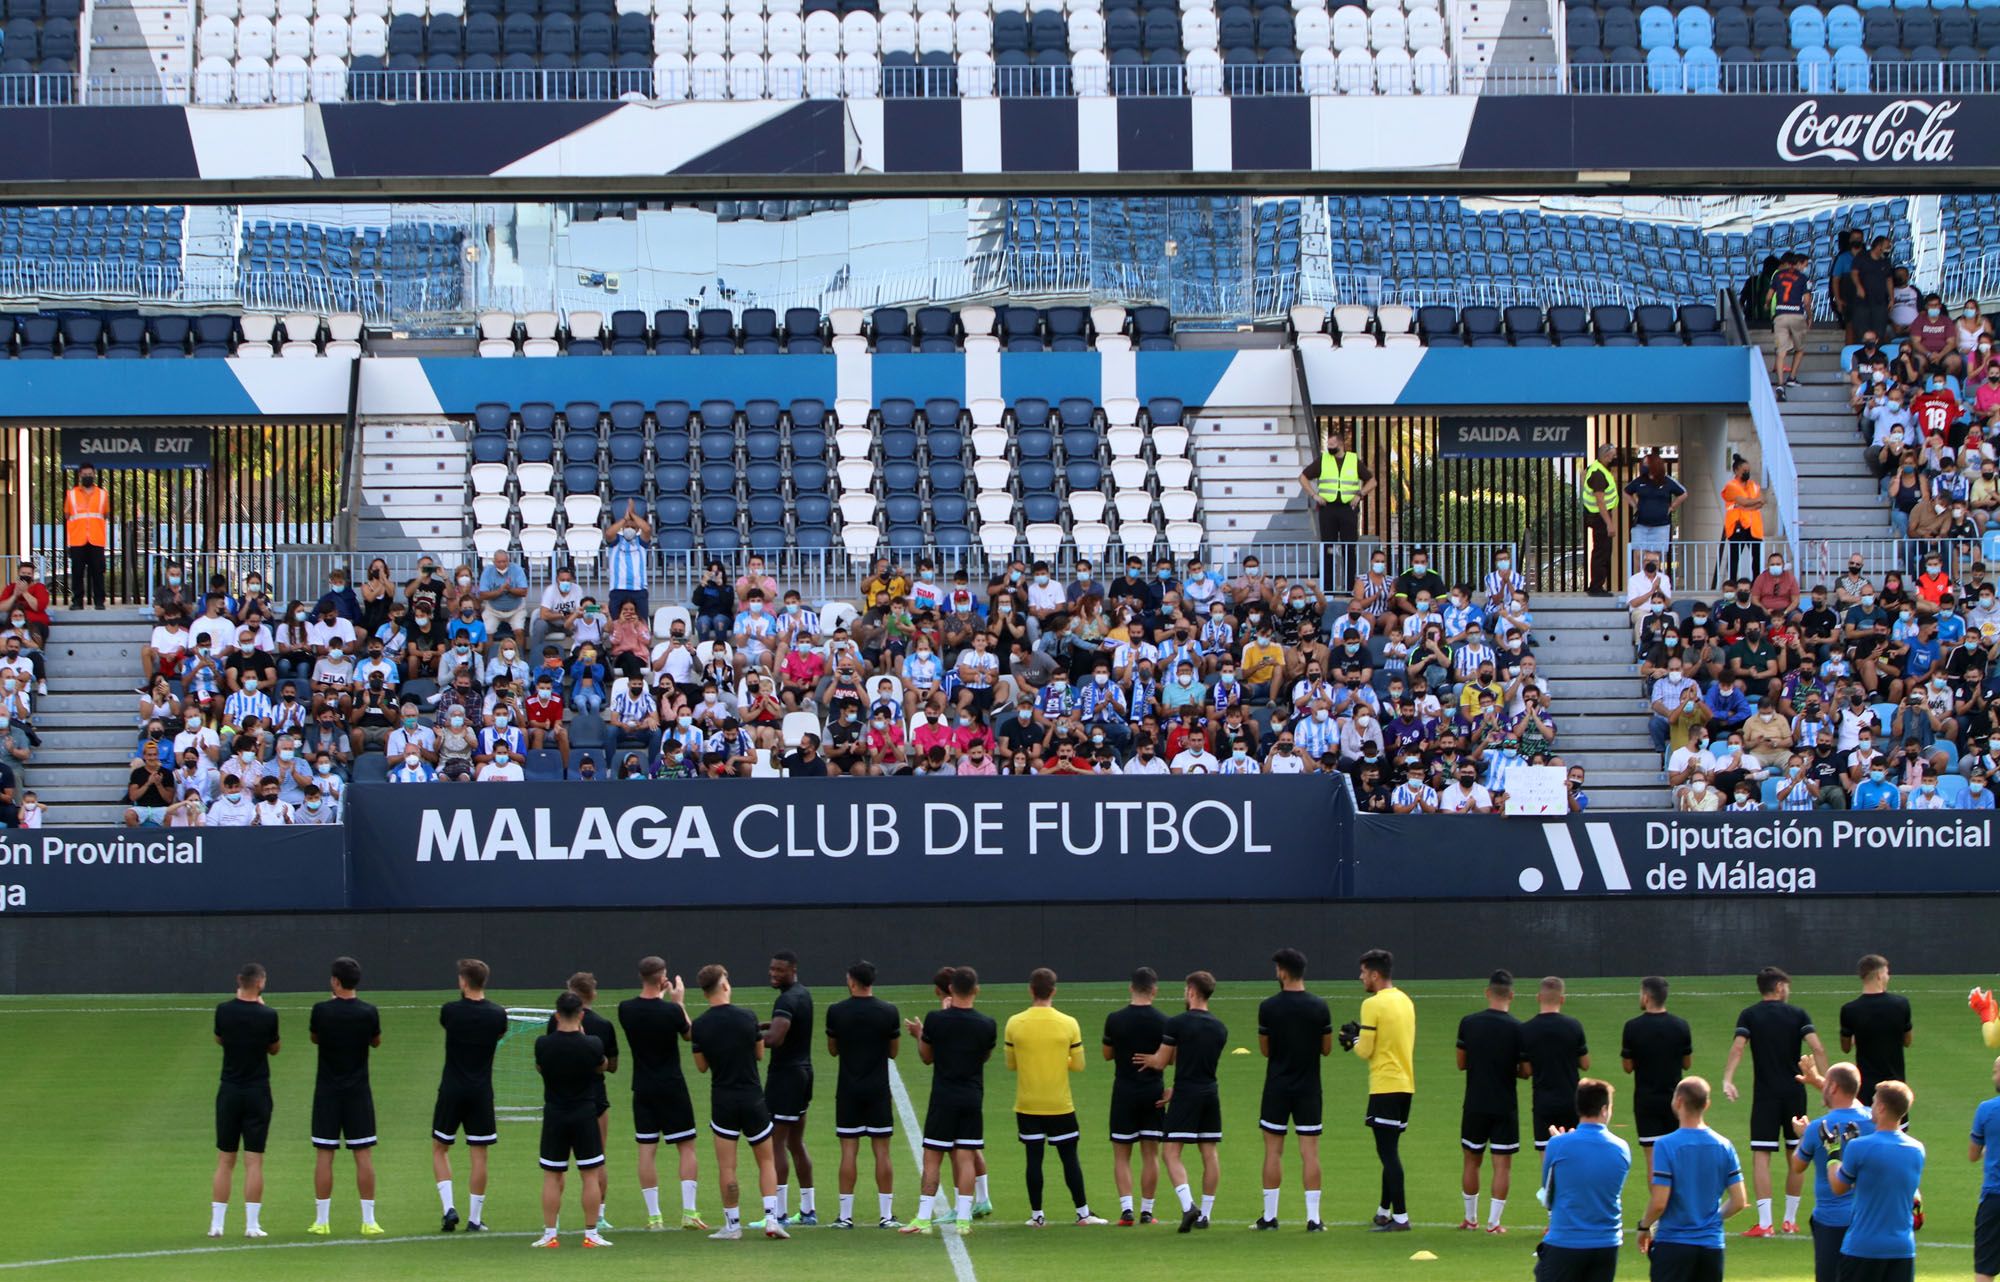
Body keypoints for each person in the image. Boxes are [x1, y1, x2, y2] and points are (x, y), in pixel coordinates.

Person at [1723, 965, 1828, 1237]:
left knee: (1762, 1154)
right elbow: (1817, 1047)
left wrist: (1727, 1079)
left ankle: (1766, 1223)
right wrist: (1825, 1082)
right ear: (1780, 987)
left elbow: (1738, 1047)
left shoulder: (1750, 1015)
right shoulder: (1797, 1014)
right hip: (1795, 1092)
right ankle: (1789, 1221)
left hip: (1765, 1096)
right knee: (1797, 1153)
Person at [689, 964, 788, 1240]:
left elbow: (701, 1066)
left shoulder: (700, 1025)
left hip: (723, 1100)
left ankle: (732, 1226)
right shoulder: (747, 1017)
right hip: (753, 1097)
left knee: (727, 1167)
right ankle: (771, 1220)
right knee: (766, 1161)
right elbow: (759, 1054)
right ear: (723, 985)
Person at [901, 966, 996, 1237]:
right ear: (976, 990)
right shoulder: (987, 1024)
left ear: (951, 989)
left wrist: (920, 1034)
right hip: (972, 1096)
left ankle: (922, 1218)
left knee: (932, 1157)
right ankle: (964, 1219)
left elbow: (926, 1057)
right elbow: (984, 1057)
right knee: (965, 1157)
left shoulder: (936, 1019)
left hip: (943, 1097)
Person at [1004, 967, 1104, 1227]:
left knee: (1033, 1160)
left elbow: (1011, 1064)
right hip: (1060, 1105)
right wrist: (1062, 1058)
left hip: (1027, 1105)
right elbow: (1079, 1065)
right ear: (1054, 991)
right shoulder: (1068, 1023)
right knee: (1069, 1158)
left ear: (1030, 990)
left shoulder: (1015, 1023)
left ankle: (1037, 1216)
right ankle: (1083, 1213)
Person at [617, 956, 706, 1232]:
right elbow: (691, 1035)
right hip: (672, 1086)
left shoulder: (625, 1009)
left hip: (642, 1087)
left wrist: (664, 997)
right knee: (687, 1147)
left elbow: (649, 1011)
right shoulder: (671, 1012)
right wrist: (678, 1001)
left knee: (646, 1150)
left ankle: (654, 1217)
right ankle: (689, 1212)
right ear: (662, 978)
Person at [1136, 970, 1228, 1233]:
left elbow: (1162, 1061)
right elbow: (1200, 1063)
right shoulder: (1220, 1028)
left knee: (1170, 1152)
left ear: (1191, 991)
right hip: (1210, 1092)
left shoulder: (1176, 1023)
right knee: (1209, 1153)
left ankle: (1189, 1206)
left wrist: (1147, 1059)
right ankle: (1205, 1215)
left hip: (1186, 1094)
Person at [1636, 1076, 1749, 1282]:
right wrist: (1713, 1218)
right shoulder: (1724, 1146)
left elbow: (1660, 1202)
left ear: (1678, 1101)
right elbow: (1739, 1201)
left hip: (1673, 1245)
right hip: (1711, 1246)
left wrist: (1644, 1226)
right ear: (1706, 1104)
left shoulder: (1665, 1145)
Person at [1254, 947, 1331, 1232]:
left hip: (1277, 1086)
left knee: (1273, 1151)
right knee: (1310, 1152)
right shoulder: (1319, 1006)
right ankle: (1313, 1219)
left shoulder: (1269, 1007)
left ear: (1284, 972)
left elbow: (1265, 1050)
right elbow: (1326, 1049)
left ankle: (1270, 1217)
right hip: (1309, 1087)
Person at [823, 959, 902, 1230]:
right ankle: (886, 1215)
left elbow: (832, 1049)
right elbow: (893, 1051)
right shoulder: (888, 1011)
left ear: (852, 981)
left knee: (848, 1151)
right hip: (878, 1089)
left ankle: (845, 1216)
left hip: (848, 1089)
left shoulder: (836, 1011)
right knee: (882, 1151)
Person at [308, 956, 384, 1237]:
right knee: (363, 1154)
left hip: (327, 1092)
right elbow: (376, 1041)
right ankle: (369, 1220)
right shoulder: (368, 1012)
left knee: (324, 1154)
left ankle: (322, 1221)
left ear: (335, 981)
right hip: (358, 1093)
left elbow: (315, 1037)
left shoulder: (321, 1011)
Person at [430, 958, 506, 1234]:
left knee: (440, 1147)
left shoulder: (450, 1011)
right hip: (480, 1091)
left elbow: (448, 1023)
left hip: (451, 1088)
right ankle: (475, 1219)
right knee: (479, 1154)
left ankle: (449, 1208)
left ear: (463, 981)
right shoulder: (498, 1014)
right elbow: (499, 1034)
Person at [531, 990, 613, 1250]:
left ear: (556, 1015)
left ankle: (549, 1234)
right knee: (589, 1175)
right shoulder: (593, 1044)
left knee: (552, 1176)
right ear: (581, 1015)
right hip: (584, 1114)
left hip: (555, 1114)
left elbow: (540, 1068)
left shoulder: (543, 1044)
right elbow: (602, 1066)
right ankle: (591, 1233)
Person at [1343, 947, 1416, 1231]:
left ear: (1375, 974)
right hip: (1406, 1085)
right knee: (1392, 1149)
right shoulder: (1405, 1001)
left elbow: (1367, 1050)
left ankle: (1401, 1217)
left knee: (1388, 1154)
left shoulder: (1372, 1005)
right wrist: (1361, 1034)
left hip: (1384, 1086)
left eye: (1363, 972)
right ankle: (1383, 1210)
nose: (1360, 977)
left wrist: (1352, 1041)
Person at [1826, 1080, 1924, 1282]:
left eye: (1873, 1101)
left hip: (1863, 1247)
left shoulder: (1859, 1148)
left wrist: (1833, 1153)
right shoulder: (1917, 1149)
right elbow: (1881, 1177)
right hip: (1902, 1249)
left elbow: (1838, 1186)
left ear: (1880, 1107)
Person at [1536, 1079, 1631, 1282]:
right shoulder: (1621, 1148)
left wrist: (1558, 1142)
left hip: (1565, 1242)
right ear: (1604, 1109)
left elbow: (1548, 1193)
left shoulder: (1558, 1145)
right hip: (1606, 1244)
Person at [211, 962, 280, 1240]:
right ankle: (252, 1225)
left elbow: (219, 1038)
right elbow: (274, 1048)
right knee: (254, 1161)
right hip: (257, 1092)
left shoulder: (223, 1010)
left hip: (229, 1090)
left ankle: (217, 1224)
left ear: (239, 980)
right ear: (261, 983)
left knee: (225, 1159)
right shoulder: (268, 1015)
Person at [1789, 1060, 1871, 1282]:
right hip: (1866, 1220)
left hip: (1831, 1222)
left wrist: (1804, 1136)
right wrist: (1817, 1080)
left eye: (1826, 1085)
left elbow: (1797, 1166)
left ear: (1833, 1087)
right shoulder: (1874, 1119)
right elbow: (1853, 1102)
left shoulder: (1818, 1127)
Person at [1456, 968, 1525, 1235]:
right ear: (1512, 995)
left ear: (1487, 992)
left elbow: (1461, 1063)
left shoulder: (1468, 1023)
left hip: (1475, 1103)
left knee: (1471, 1160)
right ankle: (1494, 1223)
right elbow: (1526, 1071)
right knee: (1502, 1164)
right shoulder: (1519, 1028)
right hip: (1504, 1104)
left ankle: (1470, 1219)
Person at [1101, 966, 1167, 1227]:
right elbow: (1169, 1059)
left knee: (1121, 1155)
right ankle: (1147, 1212)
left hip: (1124, 1092)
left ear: (1131, 987)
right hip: (1154, 1093)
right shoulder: (1164, 1021)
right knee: (1151, 1154)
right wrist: (1154, 1060)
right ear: (1154, 990)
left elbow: (1107, 1054)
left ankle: (1126, 1211)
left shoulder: (1114, 1019)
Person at [763, 950, 817, 1227]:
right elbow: (783, 1027)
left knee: (776, 1143)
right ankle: (808, 1210)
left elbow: (774, 1039)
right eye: (772, 969)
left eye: (779, 970)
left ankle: (779, 1214)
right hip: (804, 1073)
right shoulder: (802, 994)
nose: (773, 974)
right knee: (796, 1142)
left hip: (785, 1077)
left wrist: (741, 1033)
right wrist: (759, 1024)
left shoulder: (786, 999)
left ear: (793, 969)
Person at [1622, 976, 1694, 1179]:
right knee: (1677, 1158)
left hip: (1646, 1101)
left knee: (1653, 1162)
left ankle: (1659, 1208)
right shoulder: (1681, 1026)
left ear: (1646, 997)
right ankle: (1680, 1207)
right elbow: (1687, 1063)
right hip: (1676, 1101)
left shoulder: (1632, 1027)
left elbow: (1627, 1067)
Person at [1521, 976, 1590, 1173]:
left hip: (1544, 1102)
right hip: (1571, 1101)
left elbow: (1526, 1071)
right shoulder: (1574, 1026)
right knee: (1575, 1159)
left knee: (1547, 1161)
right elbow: (1585, 1064)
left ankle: (1552, 1204)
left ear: (1538, 997)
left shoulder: (1527, 1029)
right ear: (1562, 999)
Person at [1299, 424, 1375, 589]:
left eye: (1333, 446)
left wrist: (1359, 494)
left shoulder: (1353, 460)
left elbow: (1372, 481)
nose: (1330, 449)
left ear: (1341, 444)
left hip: (1348, 508)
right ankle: (1328, 587)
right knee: (1328, 548)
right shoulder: (1323, 460)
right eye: (1328, 446)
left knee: (1349, 548)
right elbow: (1303, 477)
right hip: (1328, 508)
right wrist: (1314, 495)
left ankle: (1349, 588)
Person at [1839, 954, 1913, 1107]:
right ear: (1879, 975)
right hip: (1895, 1086)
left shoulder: (1849, 1010)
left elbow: (1845, 1048)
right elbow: (1907, 1041)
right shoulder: (1901, 1005)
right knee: (1896, 1129)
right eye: (1887, 973)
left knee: (1867, 1128)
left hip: (1866, 1087)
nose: (1888, 977)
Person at [1625, 454, 1688, 573]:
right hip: (1641, 525)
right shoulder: (1639, 481)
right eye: (1643, 464)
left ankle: (1653, 586)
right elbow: (1626, 492)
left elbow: (1683, 493)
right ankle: (1639, 585)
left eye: (1646, 464)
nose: (1644, 466)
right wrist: (1635, 505)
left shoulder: (1667, 481)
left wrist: (1672, 507)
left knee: (1653, 558)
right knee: (1638, 555)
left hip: (1660, 526)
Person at [1968, 1056, 2000, 1282]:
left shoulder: (1986, 1110)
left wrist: (1987, 1149)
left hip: (1993, 1197)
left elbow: (1972, 1155)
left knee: (1985, 1269)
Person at [63, 463, 108, 610]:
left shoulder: (102, 494)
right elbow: (67, 514)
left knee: (98, 572)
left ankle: (99, 602)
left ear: (94, 474)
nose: (87, 476)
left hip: (96, 539)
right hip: (77, 539)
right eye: (85, 474)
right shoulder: (71, 494)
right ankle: (77, 601)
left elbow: (106, 514)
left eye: (90, 474)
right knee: (77, 572)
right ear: (80, 475)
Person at [1769, 251, 1814, 394]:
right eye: (1805, 265)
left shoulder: (1777, 275)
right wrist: (1810, 316)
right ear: (1799, 264)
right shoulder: (1802, 278)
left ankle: (1780, 383)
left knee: (1781, 351)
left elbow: (1769, 296)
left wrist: (1766, 306)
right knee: (1799, 348)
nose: (1805, 268)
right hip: (1796, 315)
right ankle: (1792, 377)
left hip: (1780, 316)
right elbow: (1807, 301)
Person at [604, 501, 654, 622]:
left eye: (633, 527)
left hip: (639, 589)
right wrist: (624, 519)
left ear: (637, 529)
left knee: (641, 621)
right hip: (617, 588)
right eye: (627, 527)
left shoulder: (640, 542)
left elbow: (647, 529)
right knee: (616, 621)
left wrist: (632, 514)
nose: (630, 529)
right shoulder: (616, 541)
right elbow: (608, 533)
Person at [1720, 457, 1767, 584]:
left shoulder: (1754, 485)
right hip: (1737, 526)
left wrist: (1746, 505)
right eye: (1744, 470)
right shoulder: (1731, 486)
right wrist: (1750, 503)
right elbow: (1743, 501)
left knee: (1756, 558)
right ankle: (1732, 584)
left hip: (1754, 527)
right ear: (1736, 471)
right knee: (1734, 558)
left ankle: (1756, 584)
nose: (1747, 473)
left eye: (1748, 470)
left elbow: (1762, 501)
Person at [1582, 442, 1621, 596]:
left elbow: (1584, 474)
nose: (1615, 458)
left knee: (1601, 550)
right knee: (1602, 552)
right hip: (1600, 517)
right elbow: (1600, 501)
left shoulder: (1595, 468)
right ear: (1605, 456)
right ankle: (1596, 587)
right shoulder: (1599, 474)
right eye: (1612, 456)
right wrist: (1609, 524)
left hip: (1597, 516)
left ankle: (1596, 586)